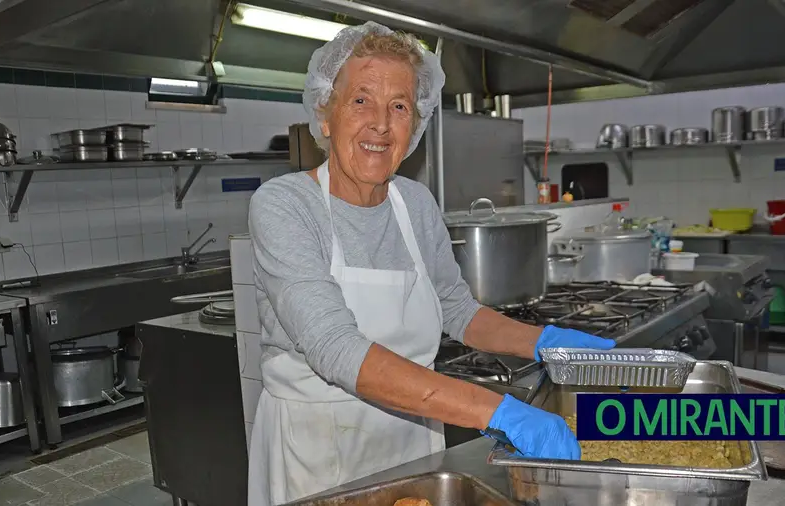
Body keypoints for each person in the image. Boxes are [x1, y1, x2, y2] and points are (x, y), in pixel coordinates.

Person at [246, 21, 616, 505]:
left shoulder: (415, 204)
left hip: (412, 449)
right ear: (326, 113)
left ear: (414, 123)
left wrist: (548, 345)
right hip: (318, 457)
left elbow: (457, 311)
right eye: (361, 100)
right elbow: (335, 349)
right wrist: (499, 411)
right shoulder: (284, 205)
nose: (381, 122)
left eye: (398, 106)